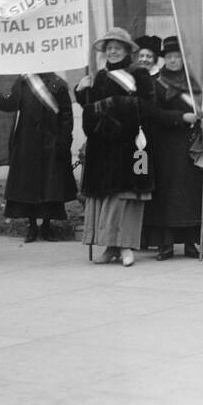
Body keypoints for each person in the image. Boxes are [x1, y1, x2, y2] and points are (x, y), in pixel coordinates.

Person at [74, 27, 154, 266]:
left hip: (131, 147)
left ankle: (126, 246)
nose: (113, 52)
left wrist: (116, 103)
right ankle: (109, 247)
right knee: (104, 197)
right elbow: (90, 107)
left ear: (127, 50)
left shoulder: (139, 74)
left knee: (126, 198)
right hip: (102, 146)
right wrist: (81, 92)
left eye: (118, 48)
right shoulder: (98, 76)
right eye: (109, 48)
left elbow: (148, 106)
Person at [142, 36, 203, 259]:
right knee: (168, 198)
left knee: (193, 197)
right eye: (169, 57)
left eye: (176, 57)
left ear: (182, 59)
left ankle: (191, 243)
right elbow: (153, 114)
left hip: (194, 146)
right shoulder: (156, 84)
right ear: (163, 60)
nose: (172, 60)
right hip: (167, 149)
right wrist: (181, 117)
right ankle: (165, 245)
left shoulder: (196, 84)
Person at [0, 72, 78, 242]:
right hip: (27, 142)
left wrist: (63, 141)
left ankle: (46, 226)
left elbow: (66, 115)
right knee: (28, 187)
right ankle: (32, 226)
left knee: (50, 188)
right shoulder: (24, 82)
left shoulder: (57, 83)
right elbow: (10, 103)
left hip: (51, 141)